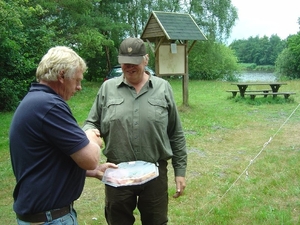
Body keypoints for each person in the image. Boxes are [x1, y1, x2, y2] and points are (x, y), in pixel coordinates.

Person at [82, 37, 187, 225]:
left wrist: (180, 172)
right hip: (117, 173)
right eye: (125, 63)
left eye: (135, 63)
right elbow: (91, 123)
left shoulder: (163, 88)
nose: (129, 67)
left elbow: (176, 134)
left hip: (154, 174)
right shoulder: (108, 88)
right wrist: (91, 133)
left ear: (146, 60)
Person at [9, 46, 117, 225]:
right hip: (50, 219)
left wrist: (94, 171)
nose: (79, 87)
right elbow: (90, 158)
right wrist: (90, 137)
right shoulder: (49, 106)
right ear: (61, 75)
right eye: (77, 80)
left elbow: (45, 163)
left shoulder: (36, 101)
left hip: (41, 216)